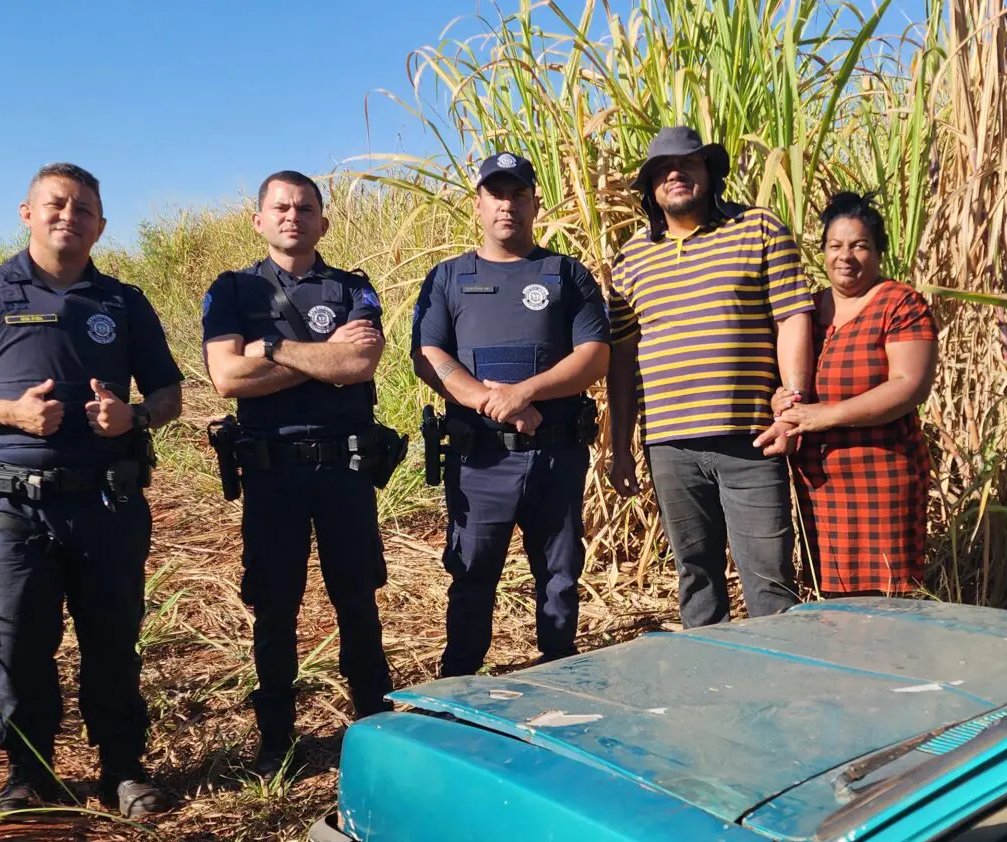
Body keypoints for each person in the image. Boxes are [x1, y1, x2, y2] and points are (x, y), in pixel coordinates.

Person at [0, 163, 184, 817]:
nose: (69, 215)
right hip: (13, 505)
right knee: (15, 644)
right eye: (56, 204)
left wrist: (133, 416)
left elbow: (169, 393)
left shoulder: (123, 302)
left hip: (106, 503)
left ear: (101, 226)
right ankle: (29, 774)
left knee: (112, 641)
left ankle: (122, 768)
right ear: (27, 213)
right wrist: (8, 413)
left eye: (84, 208)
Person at [201, 171, 393, 778]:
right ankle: (277, 738)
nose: (293, 216)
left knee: (357, 598)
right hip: (271, 474)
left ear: (323, 222)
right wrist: (323, 356)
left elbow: (360, 362)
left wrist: (272, 350)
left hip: (345, 471)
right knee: (275, 605)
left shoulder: (351, 287)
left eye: (305, 208)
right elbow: (226, 377)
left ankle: (375, 724)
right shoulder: (233, 290)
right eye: (280, 207)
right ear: (259, 220)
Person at [605, 125, 816, 627]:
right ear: (650, 188)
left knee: (770, 580)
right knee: (696, 578)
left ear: (709, 172)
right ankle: (707, 674)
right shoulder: (631, 257)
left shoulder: (758, 228)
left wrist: (793, 406)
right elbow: (622, 358)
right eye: (661, 170)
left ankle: (782, 672)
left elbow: (792, 317)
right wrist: (620, 447)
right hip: (669, 446)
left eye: (687, 163)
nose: (674, 174)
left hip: (751, 441)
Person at [411, 153, 611, 676]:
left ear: (535, 203)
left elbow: (595, 355)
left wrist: (525, 393)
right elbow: (428, 356)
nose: (507, 205)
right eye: (496, 195)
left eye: (518, 194)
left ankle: (558, 674)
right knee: (472, 575)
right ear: (477, 205)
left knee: (560, 576)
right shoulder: (449, 277)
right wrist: (489, 401)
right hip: (480, 460)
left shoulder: (566, 273)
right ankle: (459, 686)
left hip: (555, 455)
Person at [773, 192, 939, 596]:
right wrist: (783, 402)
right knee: (830, 598)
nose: (845, 256)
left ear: (879, 252)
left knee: (888, 597)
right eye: (835, 246)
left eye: (859, 245)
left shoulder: (900, 303)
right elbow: (790, 380)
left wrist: (823, 415)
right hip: (821, 483)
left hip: (883, 476)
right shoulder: (807, 310)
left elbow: (909, 385)